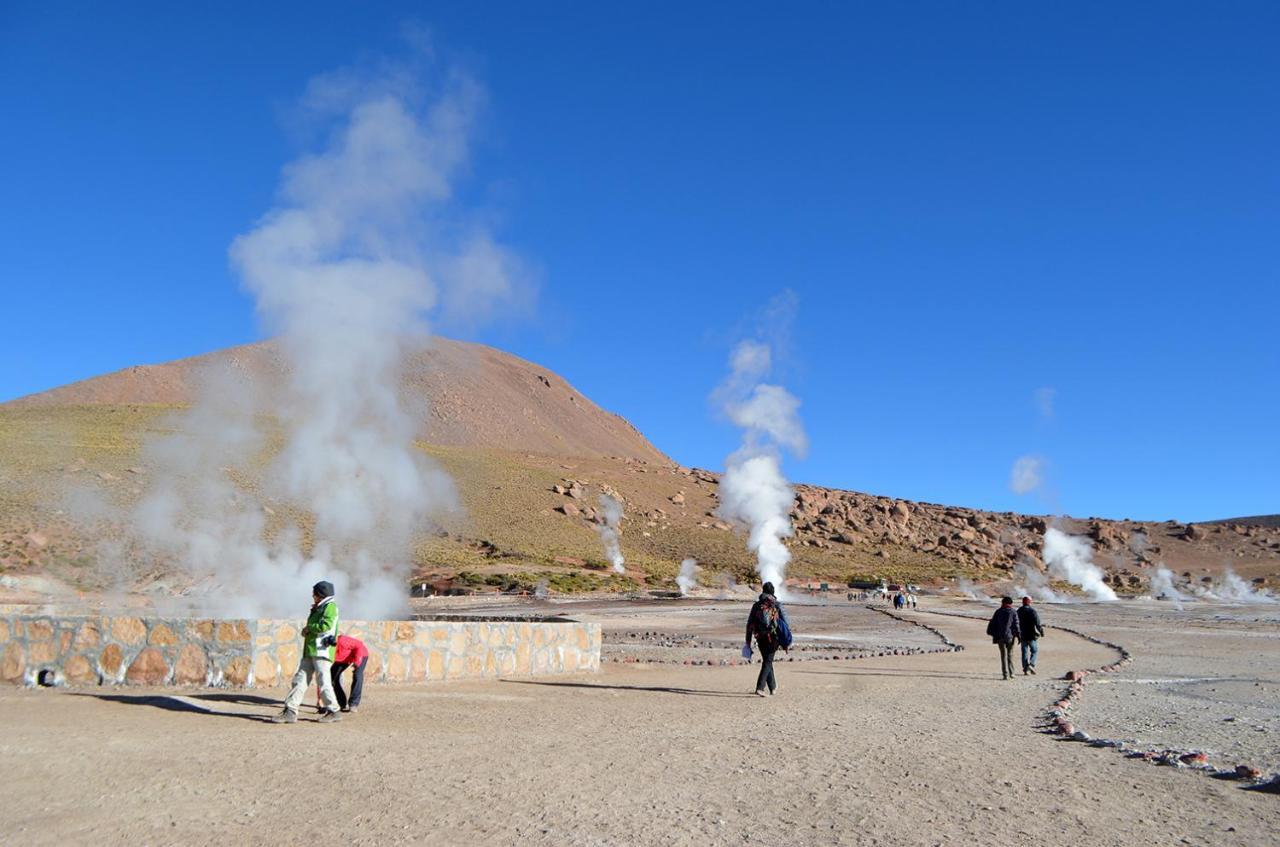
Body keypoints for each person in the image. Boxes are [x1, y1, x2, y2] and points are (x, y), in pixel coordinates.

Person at [271, 581, 342, 724]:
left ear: (321, 594)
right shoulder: (320, 607)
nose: (312, 595)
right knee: (300, 679)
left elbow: (327, 625)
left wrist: (310, 628)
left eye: (315, 593)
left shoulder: (330, 607)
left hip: (322, 650)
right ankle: (290, 710)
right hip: (311, 649)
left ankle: (334, 710)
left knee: (323, 681)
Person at [744, 581, 790, 697]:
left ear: (763, 591)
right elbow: (786, 624)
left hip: (760, 637)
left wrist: (748, 642)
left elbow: (749, 624)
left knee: (767, 661)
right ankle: (760, 687)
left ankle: (773, 687)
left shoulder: (756, 605)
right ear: (773, 592)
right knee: (768, 661)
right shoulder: (777, 605)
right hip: (773, 638)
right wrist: (786, 641)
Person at [331, 634, 369, 713]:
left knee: (357, 675)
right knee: (332, 676)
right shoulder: (325, 648)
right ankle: (341, 703)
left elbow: (359, 645)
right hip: (345, 657)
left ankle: (353, 703)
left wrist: (357, 661)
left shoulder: (342, 640)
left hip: (361, 654)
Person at [986, 596, 1022, 680]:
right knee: (1010, 655)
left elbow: (993, 623)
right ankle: (1012, 673)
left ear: (1003, 602)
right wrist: (1018, 635)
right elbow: (1016, 624)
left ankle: (1005, 674)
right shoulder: (1013, 612)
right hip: (1010, 637)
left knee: (1003, 656)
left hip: (1000, 637)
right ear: (1010, 603)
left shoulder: (998, 612)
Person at [1016, 596, 1045, 675]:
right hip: (1031, 634)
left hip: (1022, 635)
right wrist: (1041, 631)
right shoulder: (1032, 611)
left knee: (1024, 652)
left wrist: (1016, 633)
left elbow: (1015, 622)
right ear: (1029, 602)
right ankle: (1031, 665)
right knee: (1034, 651)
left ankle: (1026, 669)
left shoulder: (1019, 611)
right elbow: (1037, 623)